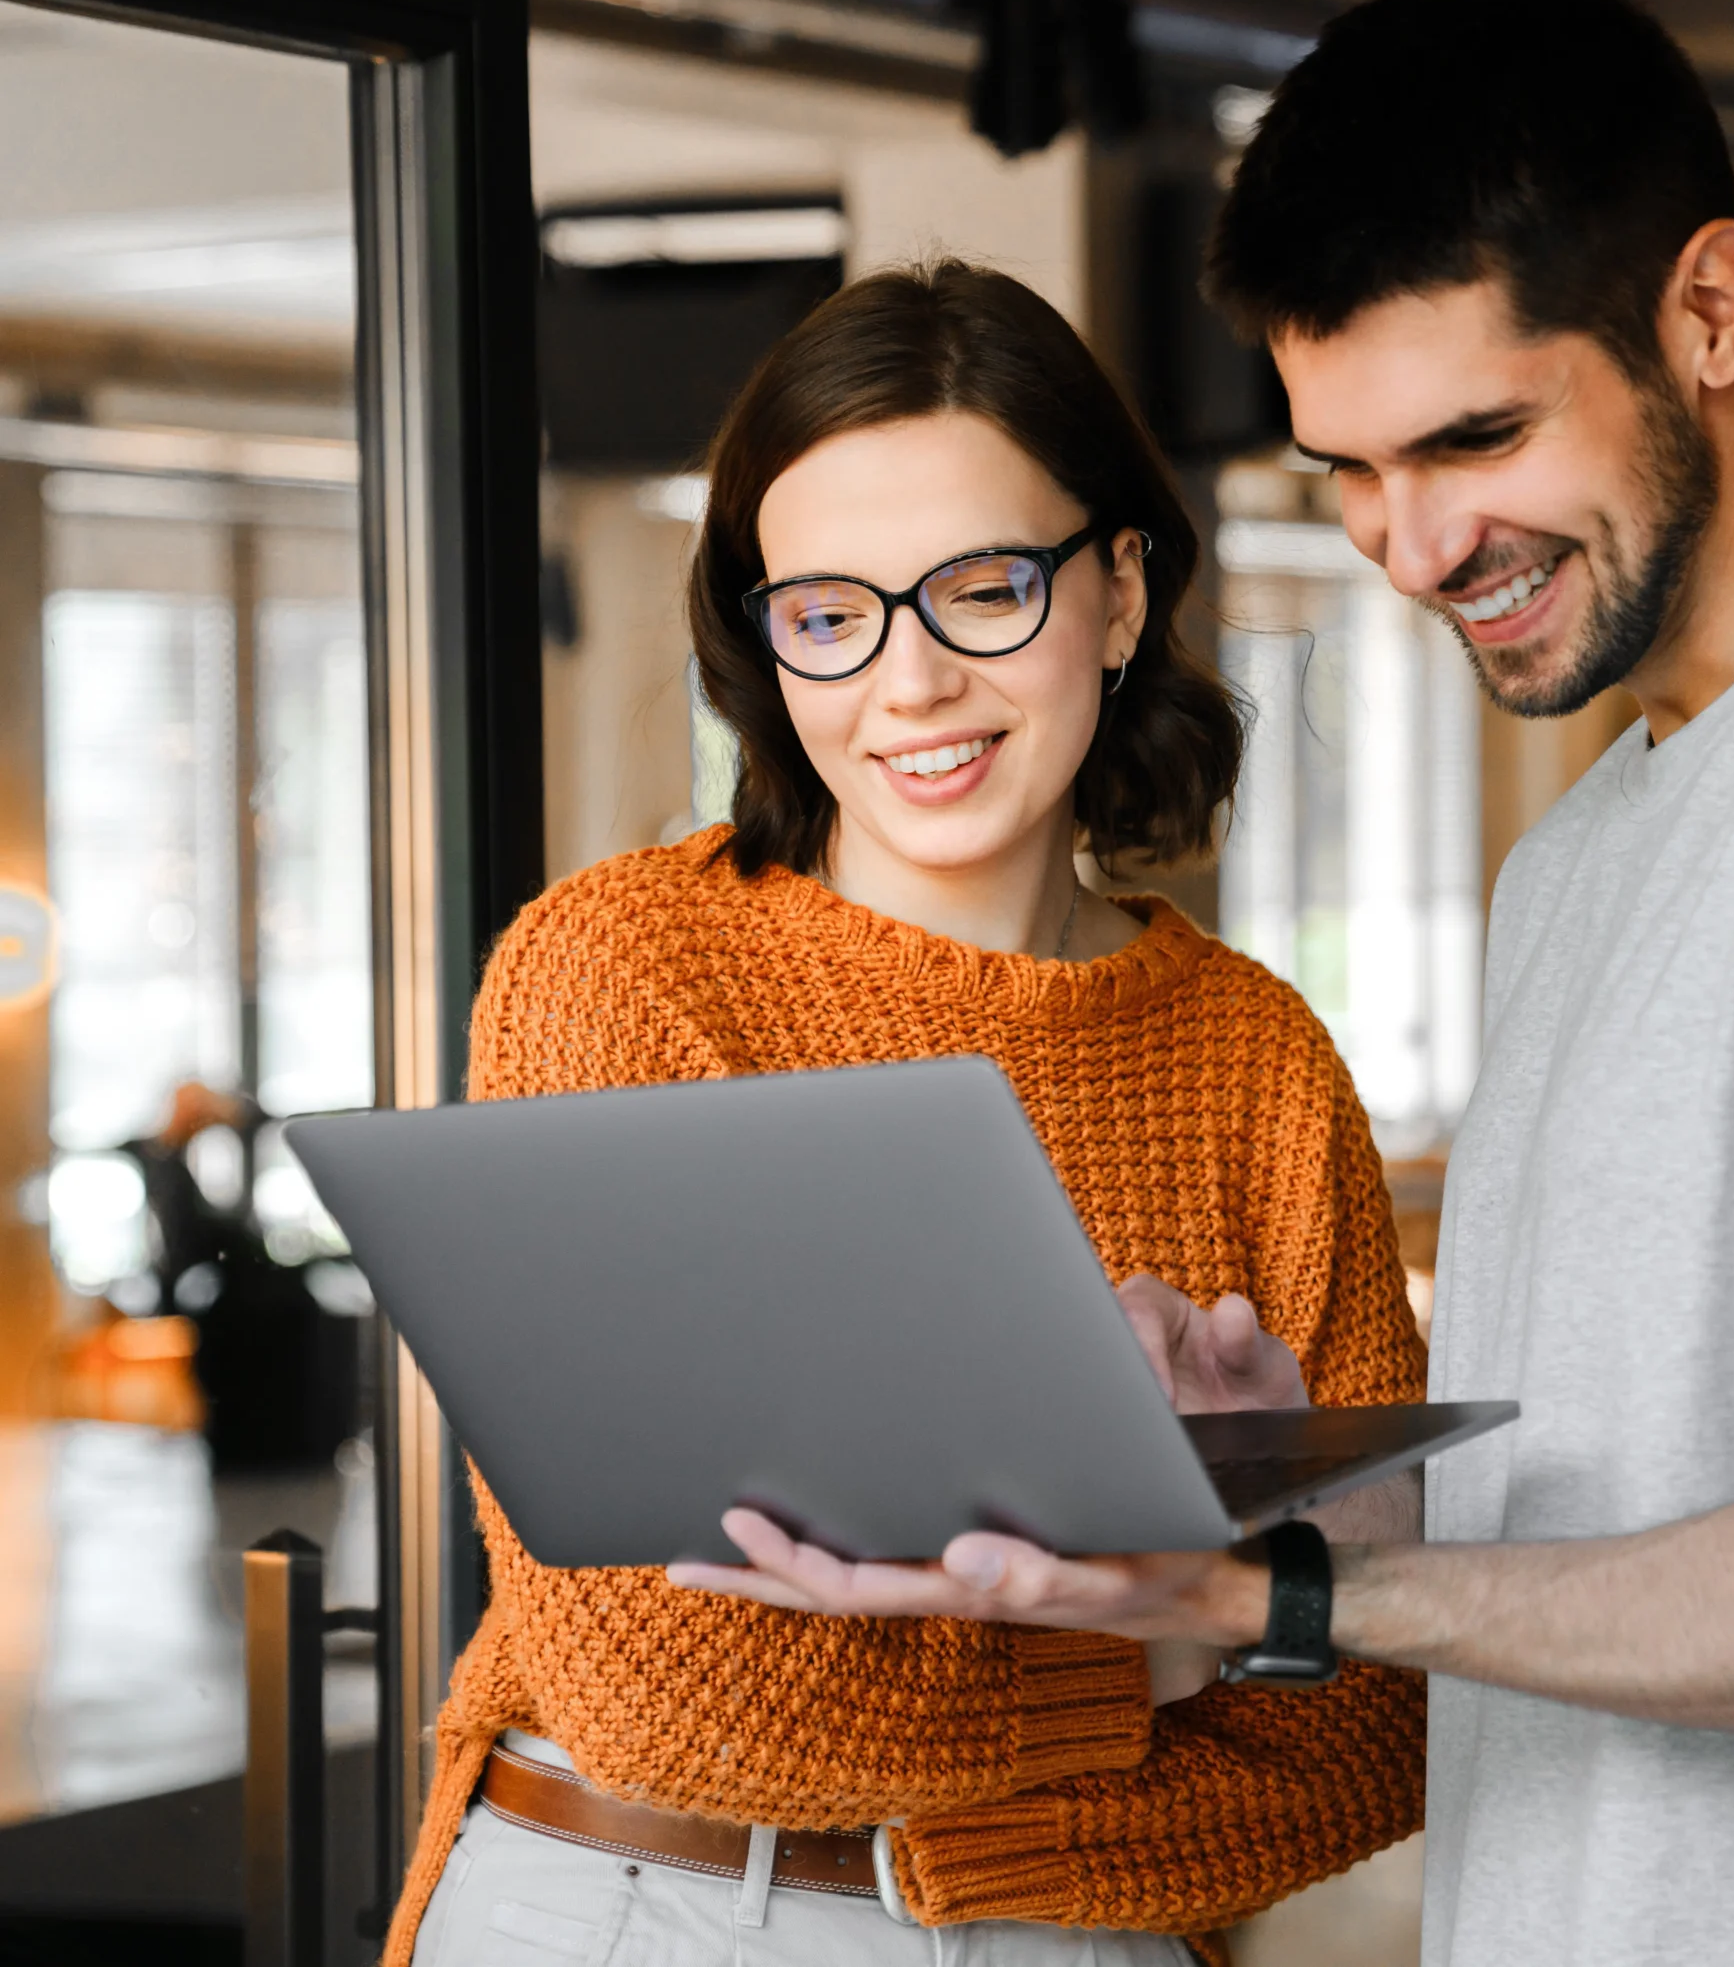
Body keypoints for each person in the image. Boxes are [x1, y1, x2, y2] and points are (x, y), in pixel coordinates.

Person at [679, 0, 1734, 1967]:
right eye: (1344, 471)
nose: (1409, 543)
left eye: (1471, 436)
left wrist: (1295, 1609)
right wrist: (1281, 1511)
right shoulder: (1586, 854)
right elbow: (1630, 1533)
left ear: (1709, 312)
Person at [390, 260, 1428, 1967]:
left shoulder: (1257, 1061)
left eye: (982, 590)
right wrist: (1186, 1638)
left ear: (1115, 589)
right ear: (770, 642)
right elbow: (662, 1690)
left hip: (1087, 1943)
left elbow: (1367, 1732)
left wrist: (1212, 1634)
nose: (911, 680)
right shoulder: (631, 977)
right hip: (643, 1910)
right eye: (831, 613)